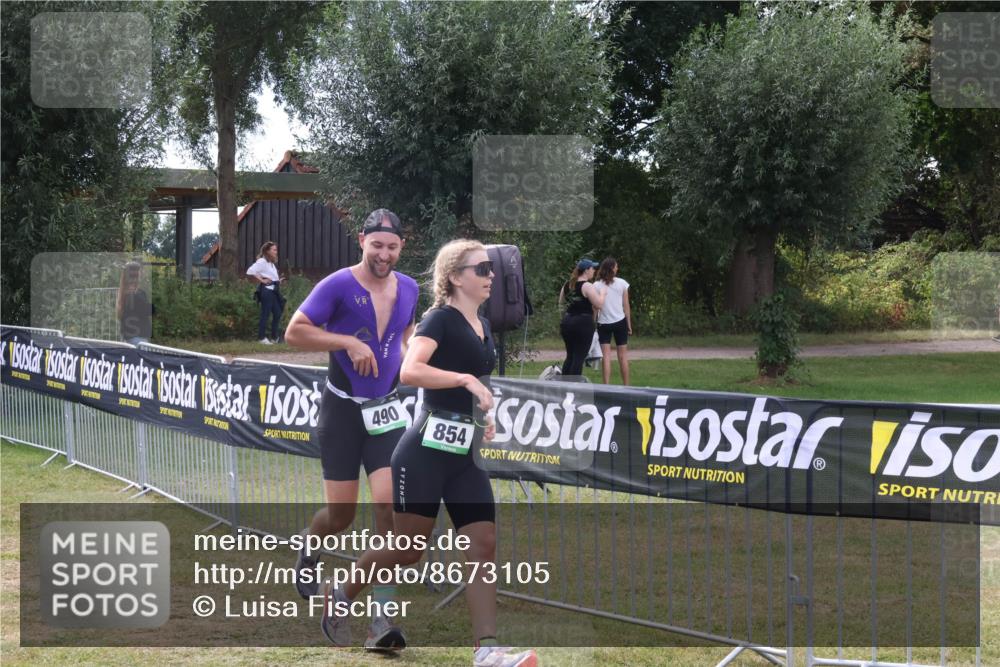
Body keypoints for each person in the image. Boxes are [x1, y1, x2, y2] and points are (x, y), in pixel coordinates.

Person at [318, 239, 537, 667]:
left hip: (464, 456)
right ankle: (341, 593)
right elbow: (410, 370)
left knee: (483, 544)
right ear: (455, 276)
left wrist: (482, 415)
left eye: (491, 269)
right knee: (408, 547)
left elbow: (473, 382)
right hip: (422, 455)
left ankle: (488, 650)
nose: (491, 275)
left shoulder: (482, 324)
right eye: (481, 269)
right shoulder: (440, 319)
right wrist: (465, 381)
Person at [284, 209, 419, 652]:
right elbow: (294, 332)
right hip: (342, 412)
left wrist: (406, 362)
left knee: (388, 511)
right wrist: (348, 341)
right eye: (376, 245)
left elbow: (405, 336)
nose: (384, 254)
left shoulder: (411, 289)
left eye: (392, 247)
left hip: (385, 415)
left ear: (402, 248)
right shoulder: (338, 284)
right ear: (362, 241)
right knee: (340, 517)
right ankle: (310, 544)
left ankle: (380, 622)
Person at [558, 258, 604, 376]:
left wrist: (565, 318)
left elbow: (560, 304)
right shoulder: (587, 286)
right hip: (583, 324)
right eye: (593, 268)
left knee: (570, 356)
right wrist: (603, 294)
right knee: (579, 357)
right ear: (586, 270)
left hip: (567, 322)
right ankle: (574, 388)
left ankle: (564, 386)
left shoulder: (567, 284)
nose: (594, 270)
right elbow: (598, 304)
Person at [593, 257, 632, 385]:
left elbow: (594, 307)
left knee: (606, 357)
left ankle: (606, 387)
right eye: (616, 266)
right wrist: (629, 324)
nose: (617, 268)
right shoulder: (622, 283)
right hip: (620, 323)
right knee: (623, 356)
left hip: (603, 324)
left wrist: (593, 324)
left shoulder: (596, 285)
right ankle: (626, 387)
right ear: (611, 268)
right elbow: (626, 306)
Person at [246, 241, 286, 344]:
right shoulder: (262, 261)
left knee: (277, 313)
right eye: (274, 250)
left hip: (274, 291)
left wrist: (278, 281)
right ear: (267, 251)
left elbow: (271, 276)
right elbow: (250, 271)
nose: (276, 252)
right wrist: (262, 280)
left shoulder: (270, 263)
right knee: (265, 314)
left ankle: (274, 337)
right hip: (266, 291)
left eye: (276, 250)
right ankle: (261, 338)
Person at [116, 261, 153, 345]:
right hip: (139, 339)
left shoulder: (123, 293)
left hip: (128, 337)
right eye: (141, 271)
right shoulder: (138, 295)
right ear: (137, 275)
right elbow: (148, 311)